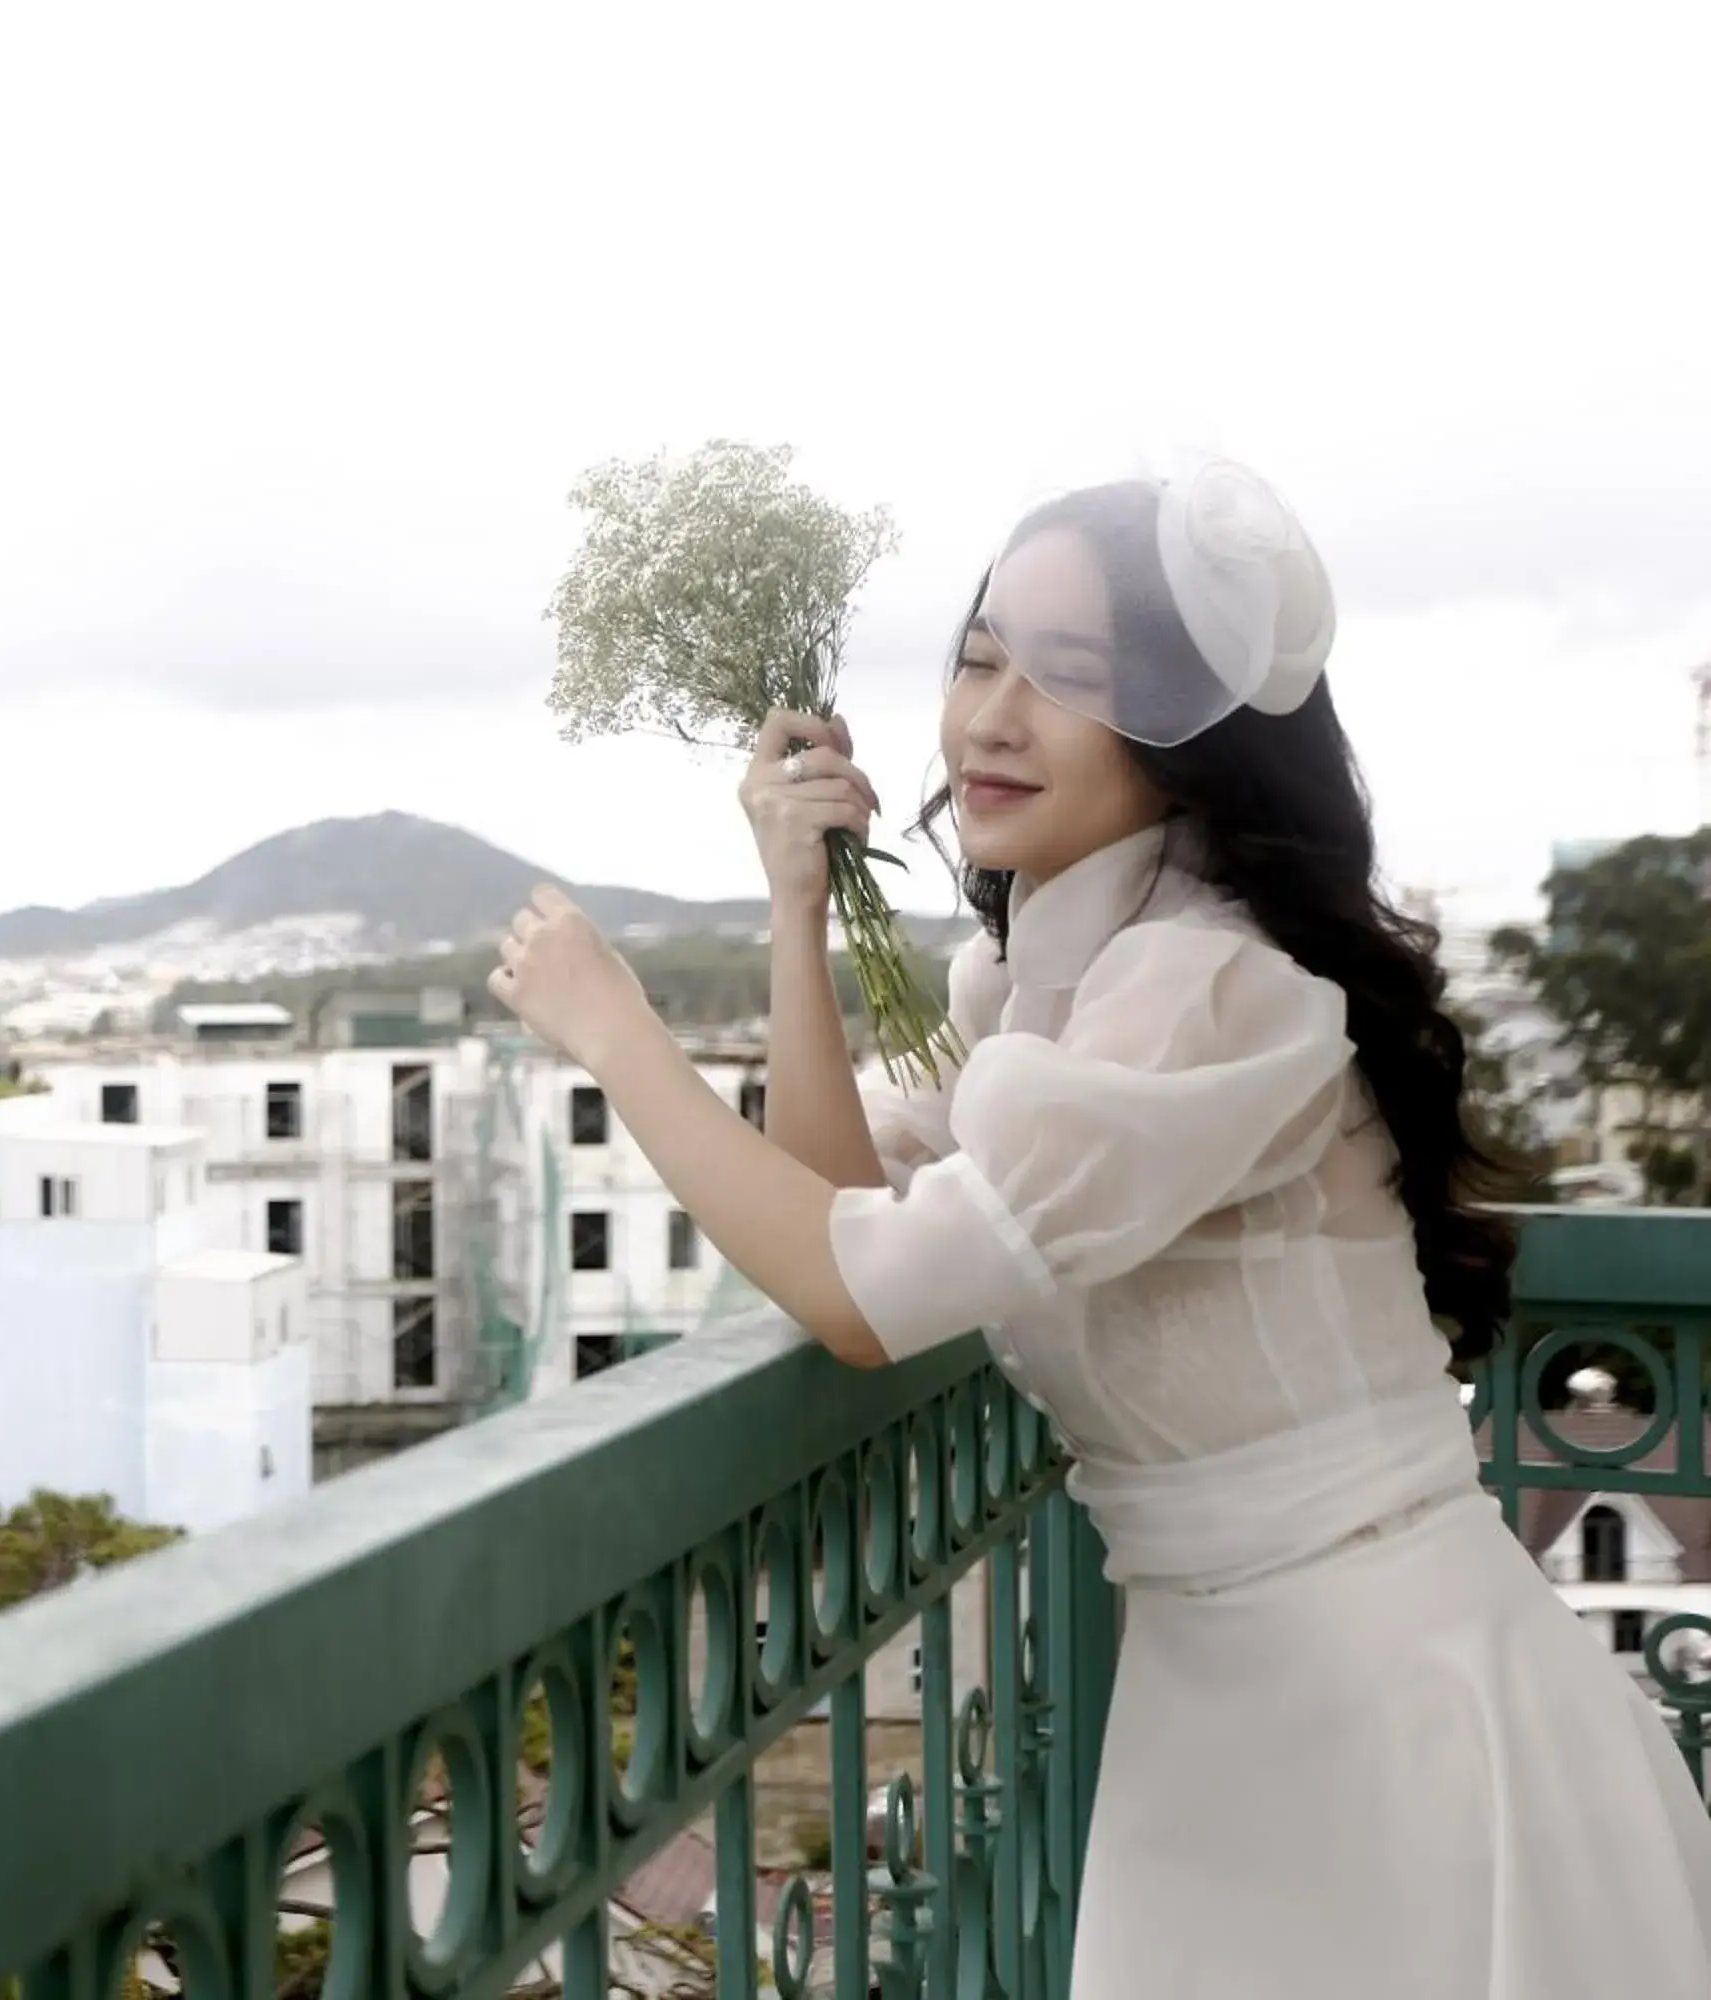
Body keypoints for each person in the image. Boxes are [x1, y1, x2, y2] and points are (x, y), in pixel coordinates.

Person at [488, 456, 1711, 1995]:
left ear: (1193, 743)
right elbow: (850, 1209)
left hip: (1387, 1704)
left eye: (1069, 676)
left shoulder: (1211, 989)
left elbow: (865, 1295)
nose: (993, 714)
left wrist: (621, 1040)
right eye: (982, 654)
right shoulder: (1044, 991)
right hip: (1233, 1690)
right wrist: (796, 906)